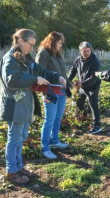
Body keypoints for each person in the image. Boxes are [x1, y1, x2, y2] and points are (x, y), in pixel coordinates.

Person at [0, 28, 67, 184]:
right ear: (21, 41)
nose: (32, 48)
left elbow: (40, 69)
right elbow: (12, 80)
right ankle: (11, 171)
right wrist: (35, 79)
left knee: (21, 137)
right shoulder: (10, 59)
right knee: (14, 138)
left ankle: (19, 166)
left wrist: (57, 76)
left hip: (24, 104)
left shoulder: (26, 57)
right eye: (31, 44)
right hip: (14, 106)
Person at [35, 31, 72, 159]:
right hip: (50, 91)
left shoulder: (57, 54)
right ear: (52, 42)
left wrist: (68, 85)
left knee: (58, 117)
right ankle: (45, 147)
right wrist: (45, 93)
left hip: (61, 90)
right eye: (59, 42)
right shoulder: (43, 54)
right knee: (49, 119)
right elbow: (39, 73)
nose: (61, 45)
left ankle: (54, 141)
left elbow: (62, 72)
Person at [68, 41, 102, 134]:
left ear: (90, 50)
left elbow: (94, 77)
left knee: (93, 103)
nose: (85, 52)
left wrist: (81, 84)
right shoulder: (78, 60)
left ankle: (97, 125)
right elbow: (72, 71)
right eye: (83, 50)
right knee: (79, 101)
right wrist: (67, 81)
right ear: (80, 51)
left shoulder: (95, 62)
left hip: (93, 85)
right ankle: (85, 115)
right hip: (82, 85)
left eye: (87, 50)